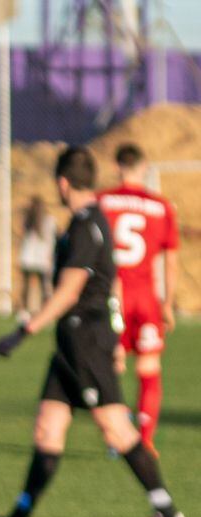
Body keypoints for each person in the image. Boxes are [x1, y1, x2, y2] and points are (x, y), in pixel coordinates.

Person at [0, 146, 188, 517]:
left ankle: (168, 513)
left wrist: (24, 331)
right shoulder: (89, 220)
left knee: (115, 426)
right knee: (48, 428)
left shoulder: (88, 223)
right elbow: (116, 282)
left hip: (87, 340)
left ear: (63, 182)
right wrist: (120, 334)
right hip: (75, 344)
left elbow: (70, 290)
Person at [97, 143, 180, 454]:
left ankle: (114, 436)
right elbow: (169, 261)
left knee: (109, 365)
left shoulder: (101, 201)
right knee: (149, 367)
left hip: (111, 296)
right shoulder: (161, 206)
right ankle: (144, 438)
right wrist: (167, 303)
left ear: (118, 166)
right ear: (143, 167)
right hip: (145, 299)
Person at [17, 195, 56, 314]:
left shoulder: (45, 220)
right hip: (37, 257)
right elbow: (51, 240)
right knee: (42, 286)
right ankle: (43, 310)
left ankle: (26, 310)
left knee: (32, 286)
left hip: (32, 257)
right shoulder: (31, 220)